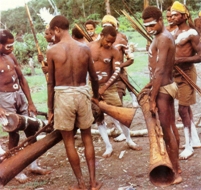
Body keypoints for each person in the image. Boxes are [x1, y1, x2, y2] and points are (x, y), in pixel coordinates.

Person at [46, 15, 102, 190]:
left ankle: (81, 183)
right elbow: (94, 77)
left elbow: (51, 83)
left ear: (57, 29)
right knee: (87, 137)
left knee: (69, 141)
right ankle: (93, 183)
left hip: (63, 96)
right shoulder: (84, 48)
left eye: (52, 32)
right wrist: (96, 96)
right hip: (82, 93)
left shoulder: (53, 51)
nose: (52, 36)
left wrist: (50, 108)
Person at [0, 29, 49, 183]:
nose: (12, 48)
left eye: (13, 45)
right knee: (13, 133)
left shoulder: (11, 57)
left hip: (19, 94)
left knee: (31, 128)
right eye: (8, 46)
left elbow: (22, 79)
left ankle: (34, 164)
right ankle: (15, 169)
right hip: (4, 97)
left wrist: (31, 102)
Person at [142, 6, 182, 184]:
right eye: (146, 27)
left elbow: (159, 71)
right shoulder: (161, 36)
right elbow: (163, 67)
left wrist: (152, 98)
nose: (149, 29)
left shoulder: (164, 38)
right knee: (171, 128)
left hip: (164, 89)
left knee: (167, 131)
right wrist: (150, 85)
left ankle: (175, 172)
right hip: (164, 85)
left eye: (151, 25)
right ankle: (177, 166)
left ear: (160, 20)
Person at [88, 26, 141, 158]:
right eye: (107, 41)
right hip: (91, 86)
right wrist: (91, 88)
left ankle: (129, 140)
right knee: (98, 115)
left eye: (112, 42)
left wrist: (104, 88)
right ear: (101, 35)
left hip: (109, 87)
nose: (109, 44)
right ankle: (108, 146)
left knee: (119, 114)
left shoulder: (114, 52)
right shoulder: (88, 47)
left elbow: (117, 71)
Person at [100, 15, 139, 143]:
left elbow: (130, 58)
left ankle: (126, 134)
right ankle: (120, 130)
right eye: (104, 26)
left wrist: (119, 66)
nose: (106, 28)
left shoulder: (121, 38)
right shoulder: (99, 40)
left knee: (118, 105)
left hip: (119, 77)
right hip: (105, 79)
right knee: (107, 107)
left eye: (108, 25)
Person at [171, 1, 201, 160]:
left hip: (187, 73)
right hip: (175, 74)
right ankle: (194, 140)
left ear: (184, 16)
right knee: (186, 108)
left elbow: (200, 56)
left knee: (182, 110)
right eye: (172, 15)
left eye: (176, 14)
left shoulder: (192, 33)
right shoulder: (174, 32)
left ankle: (188, 146)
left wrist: (181, 60)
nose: (173, 17)